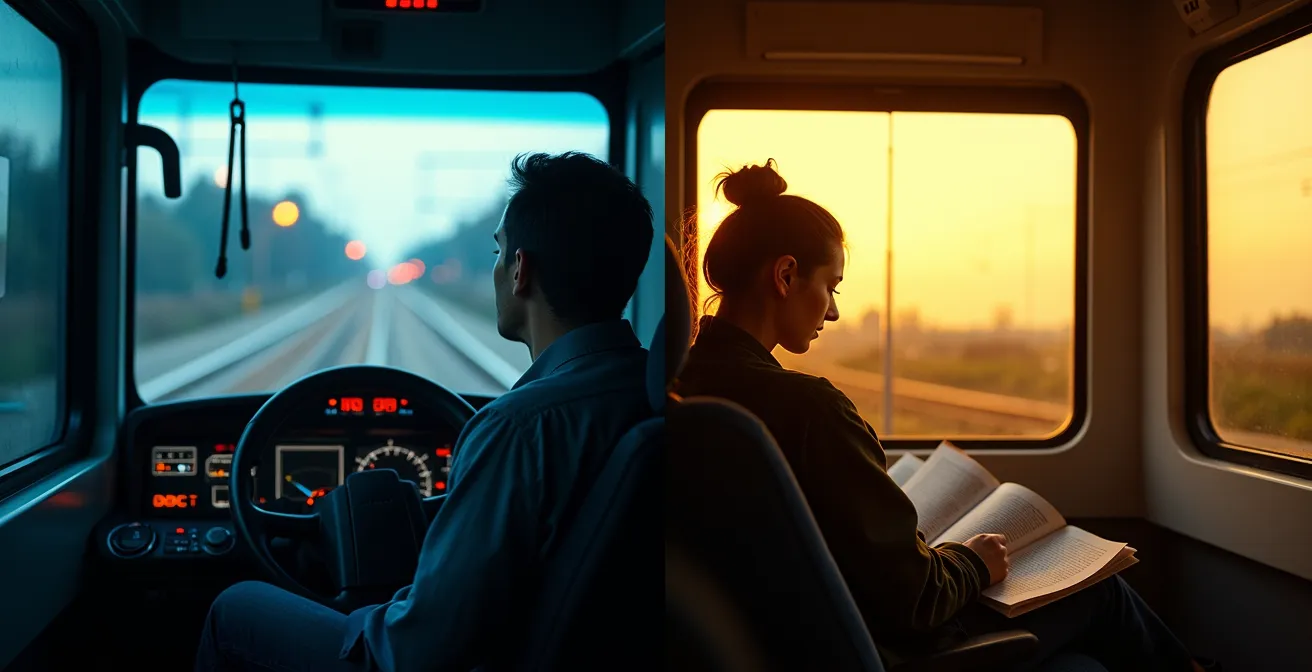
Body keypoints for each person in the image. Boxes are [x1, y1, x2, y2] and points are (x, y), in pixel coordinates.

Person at [673, 160, 1215, 672]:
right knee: (1103, 590)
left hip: (788, 642)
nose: (834, 311)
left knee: (1082, 667)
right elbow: (914, 599)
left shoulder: (683, 386)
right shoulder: (809, 409)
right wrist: (973, 560)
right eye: (831, 286)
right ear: (787, 275)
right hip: (883, 647)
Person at [195, 151, 656, 672]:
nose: (498, 268)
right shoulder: (664, 401)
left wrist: (372, 611)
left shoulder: (516, 430)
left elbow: (419, 651)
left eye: (500, 251)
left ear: (521, 269)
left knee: (235, 609)